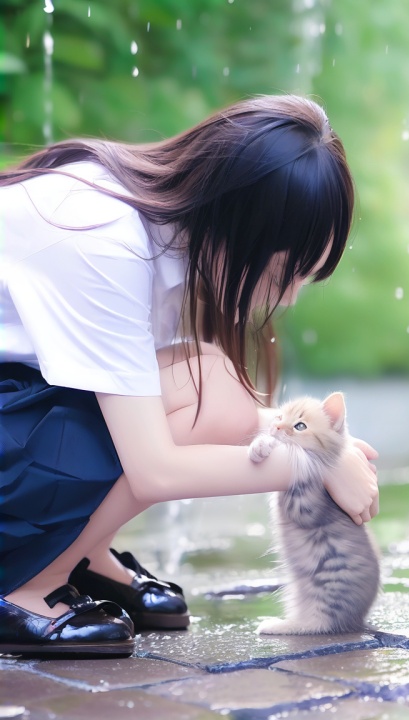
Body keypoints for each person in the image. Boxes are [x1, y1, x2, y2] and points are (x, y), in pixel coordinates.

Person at [0, 95, 379, 658]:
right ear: (238, 223)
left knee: (210, 382)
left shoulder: (158, 226)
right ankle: (23, 584)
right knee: (210, 394)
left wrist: (323, 445)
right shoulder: (103, 234)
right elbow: (154, 468)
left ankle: (82, 556)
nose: (291, 295)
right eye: (286, 270)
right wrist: (314, 467)